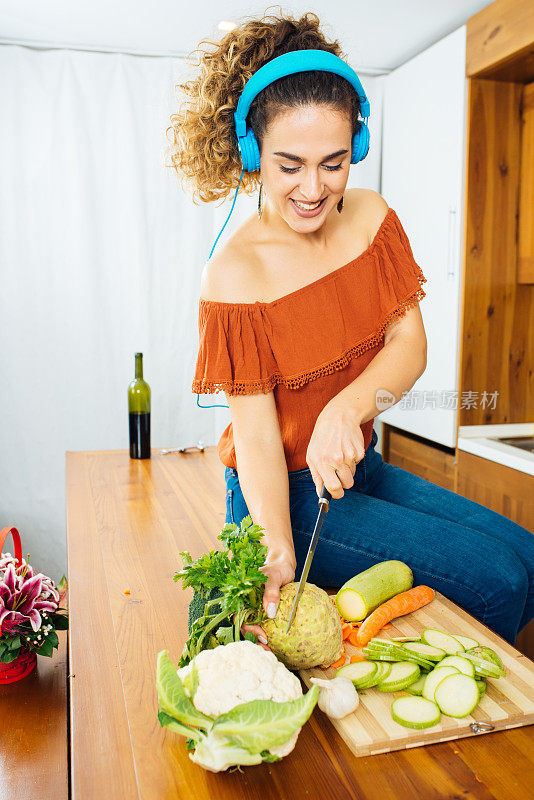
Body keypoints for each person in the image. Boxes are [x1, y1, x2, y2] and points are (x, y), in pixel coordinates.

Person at [168, 10, 534, 649]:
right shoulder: (233, 275)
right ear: (252, 156)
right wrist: (277, 546)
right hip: (285, 495)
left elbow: (410, 344)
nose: (314, 189)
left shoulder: (370, 218)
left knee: (527, 556)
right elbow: (256, 439)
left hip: (361, 467)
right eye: (289, 166)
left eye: (334, 163)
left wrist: (346, 409)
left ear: (355, 151)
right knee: (498, 581)